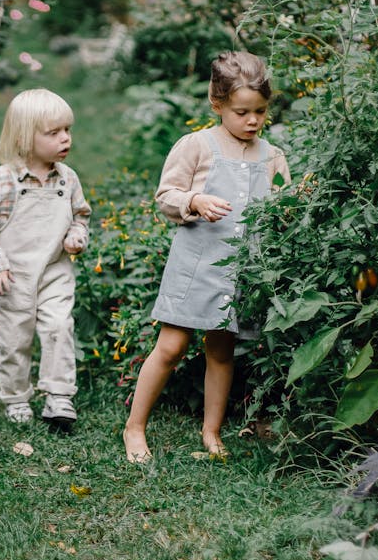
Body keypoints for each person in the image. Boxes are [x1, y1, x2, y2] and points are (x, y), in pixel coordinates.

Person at [123, 52, 291, 462]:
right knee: (172, 346)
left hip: (242, 271)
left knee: (221, 350)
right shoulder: (197, 145)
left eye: (260, 112)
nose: (252, 121)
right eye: (242, 112)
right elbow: (166, 196)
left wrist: (292, 205)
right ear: (217, 105)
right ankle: (135, 427)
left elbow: (282, 206)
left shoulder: (272, 156)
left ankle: (212, 432)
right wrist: (194, 199)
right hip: (197, 263)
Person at [0, 88, 91, 430]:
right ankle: (17, 396)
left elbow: (81, 216)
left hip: (54, 269)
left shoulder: (67, 179)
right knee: (14, 339)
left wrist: (75, 236)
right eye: (53, 133)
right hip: (14, 274)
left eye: (67, 130)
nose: (65, 139)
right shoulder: (4, 180)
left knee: (58, 328)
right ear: (26, 137)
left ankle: (58, 395)